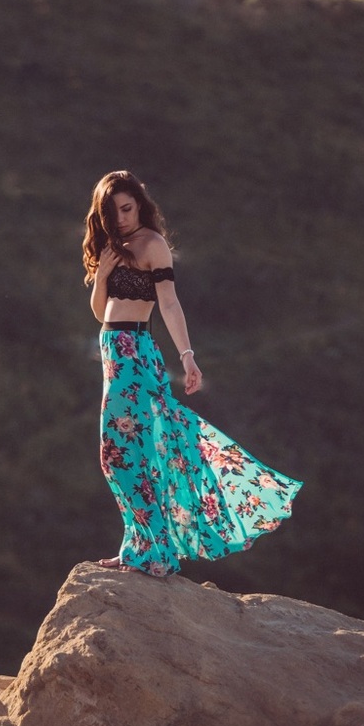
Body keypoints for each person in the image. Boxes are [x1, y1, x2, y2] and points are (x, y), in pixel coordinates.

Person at [83, 170, 303, 577]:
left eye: (127, 209)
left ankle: (156, 552)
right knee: (124, 456)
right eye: (112, 213)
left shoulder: (152, 244)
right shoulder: (115, 247)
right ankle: (140, 548)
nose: (121, 219)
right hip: (114, 355)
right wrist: (101, 274)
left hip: (135, 353)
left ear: (140, 205)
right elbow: (101, 313)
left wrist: (187, 355)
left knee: (119, 455)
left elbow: (168, 303)